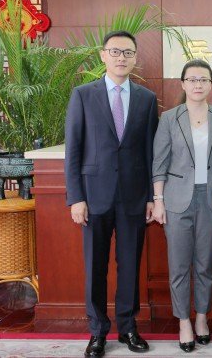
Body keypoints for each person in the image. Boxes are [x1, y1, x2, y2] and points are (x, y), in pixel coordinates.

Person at [65, 30, 158, 357]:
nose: (121, 57)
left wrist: (152, 196)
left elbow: (150, 152)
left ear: (135, 58)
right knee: (95, 266)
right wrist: (76, 197)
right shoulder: (82, 95)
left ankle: (128, 327)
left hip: (134, 196)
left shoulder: (146, 99)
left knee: (130, 265)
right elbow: (73, 149)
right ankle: (97, 332)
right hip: (93, 196)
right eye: (115, 51)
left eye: (128, 52)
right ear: (103, 55)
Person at [151, 59, 212, 352]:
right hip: (176, 200)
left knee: (205, 264)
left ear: (211, 84)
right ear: (183, 84)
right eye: (192, 79)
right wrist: (158, 200)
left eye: (204, 79)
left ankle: (202, 318)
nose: (198, 84)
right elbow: (159, 162)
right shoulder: (169, 118)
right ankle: (183, 320)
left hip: (211, 198)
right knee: (179, 265)